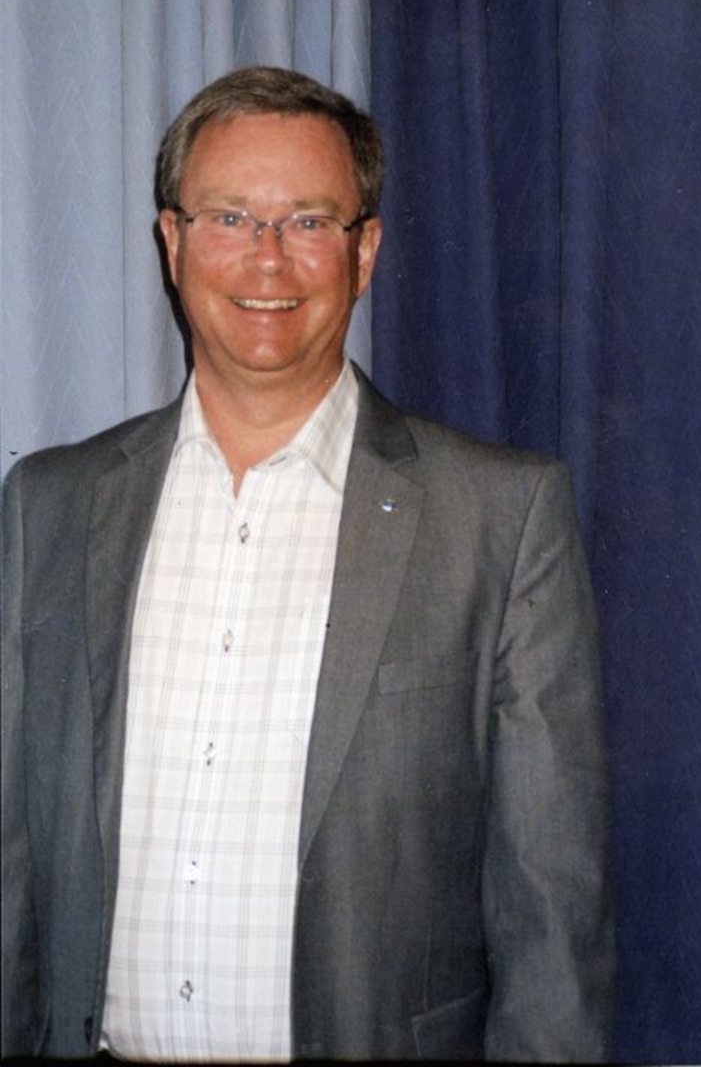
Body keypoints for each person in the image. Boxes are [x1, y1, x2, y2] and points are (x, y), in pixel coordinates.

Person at [2, 66, 614, 1062]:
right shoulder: (49, 507)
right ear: (172, 242)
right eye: (228, 217)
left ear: (363, 252)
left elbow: (553, 924)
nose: (267, 257)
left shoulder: (500, 521)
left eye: (309, 221)